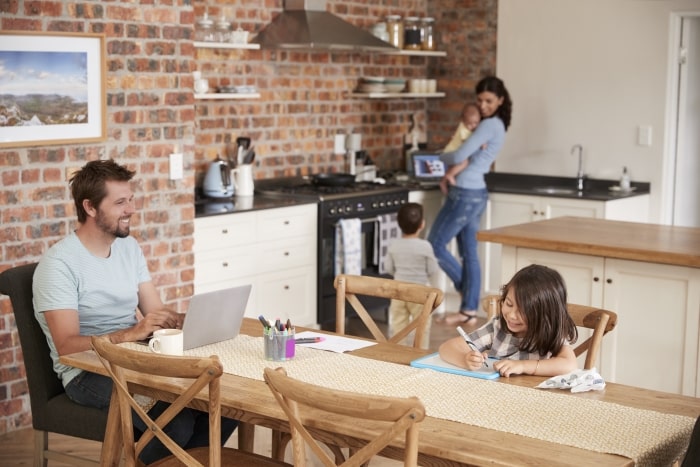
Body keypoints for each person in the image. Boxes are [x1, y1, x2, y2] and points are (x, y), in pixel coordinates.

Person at [32, 159, 237, 464]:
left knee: (225, 404)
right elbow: (66, 346)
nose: (131, 209)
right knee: (176, 423)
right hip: (87, 372)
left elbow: (156, 313)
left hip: (135, 357)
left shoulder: (129, 248)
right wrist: (130, 333)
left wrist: (191, 318)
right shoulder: (59, 265)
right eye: (120, 202)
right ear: (90, 207)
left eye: (131, 199)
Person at [428, 76, 513, 326]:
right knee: (470, 254)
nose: (483, 105)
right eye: (479, 100)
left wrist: (439, 156)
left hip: (465, 192)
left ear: (500, 100)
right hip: (475, 192)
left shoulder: (489, 125)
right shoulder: (496, 125)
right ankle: (468, 311)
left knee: (435, 244)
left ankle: (467, 294)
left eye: (488, 100)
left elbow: (461, 154)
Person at [439, 264, 578, 377]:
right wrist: (465, 359)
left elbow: (570, 365)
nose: (511, 316)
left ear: (545, 314)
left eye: (523, 311)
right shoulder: (498, 327)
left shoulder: (549, 332)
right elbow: (446, 348)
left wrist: (523, 366)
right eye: (509, 304)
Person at [384, 203, 440, 348]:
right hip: (420, 294)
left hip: (398, 291)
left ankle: (397, 354)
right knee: (422, 327)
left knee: (398, 326)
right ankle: (420, 355)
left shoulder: (394, 245)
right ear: (422, 224)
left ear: (398, 224)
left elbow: (388, 268)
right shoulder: (425, 246)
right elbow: (433, 268)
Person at [439, 103, 482, 195]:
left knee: (454, 167)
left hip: (451, 152)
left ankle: (443, 182)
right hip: (451, 152)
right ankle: (449, 175)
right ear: (463, 121)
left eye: (476, 123)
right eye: (469, 124)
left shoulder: (469, 129)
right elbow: (469, 143)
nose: (473, 126)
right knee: (464, 162)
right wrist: (481, 143)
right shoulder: (463, 129)